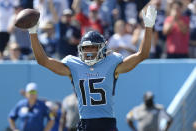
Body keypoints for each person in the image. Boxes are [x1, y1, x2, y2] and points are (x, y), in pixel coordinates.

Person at [28, 5, 157, 131]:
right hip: (85, 124)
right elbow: (43, 61)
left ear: (102, 48)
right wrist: (33, 33)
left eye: (93, 47)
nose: (89, 51)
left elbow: (142, 55)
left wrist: (148, 27)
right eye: (86, 48)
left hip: (107, 124)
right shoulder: (74, 65)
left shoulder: (111, 64)